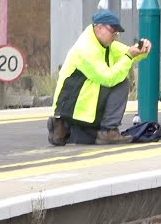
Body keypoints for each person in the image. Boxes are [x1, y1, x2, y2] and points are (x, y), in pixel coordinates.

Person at [47, 10, 151, 146]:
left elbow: (126, 52)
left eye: (116, 33)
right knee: (121, 83)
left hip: (80, 106)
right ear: (99, 27)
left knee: (88, 139)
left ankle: (64, 126)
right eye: (112, 31)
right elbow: (108, 78)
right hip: (74, 106)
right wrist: (130, 56)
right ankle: (107, 131)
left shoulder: (103, 44)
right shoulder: (86, 48)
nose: (115, 36)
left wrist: (141, 50)